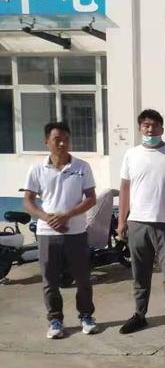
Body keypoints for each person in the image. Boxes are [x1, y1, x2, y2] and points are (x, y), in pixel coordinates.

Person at [23, 122, 98, 339]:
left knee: (83, 279)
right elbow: (28, 200)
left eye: (66, 139)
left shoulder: (82, 167)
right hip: (47, 233)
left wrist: (67, 215)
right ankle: (55, 320)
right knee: (50, 280)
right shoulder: (37, 168)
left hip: (76, 232)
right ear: (46, 142)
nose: (63, 143)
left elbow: (91, 198)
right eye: (57, 139)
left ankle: (86, 316)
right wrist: (47, 217)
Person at [117, 109, 165, 337]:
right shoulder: (131, 155)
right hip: (138, 223)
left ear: (162, 129)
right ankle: (140, 315)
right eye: (146, 125)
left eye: (155, 125)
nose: (150, 129)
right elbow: (125, 189)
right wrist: (121, 221)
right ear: (140, 128)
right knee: (140, 273)